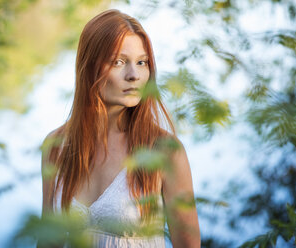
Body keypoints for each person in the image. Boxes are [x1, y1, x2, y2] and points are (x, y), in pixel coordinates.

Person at [41, 9, 200, 248]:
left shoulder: (164, 151)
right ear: (90, 67)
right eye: (119, 62)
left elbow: (188, 244)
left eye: (141, 62)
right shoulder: (57, 146)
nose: (134, 75)